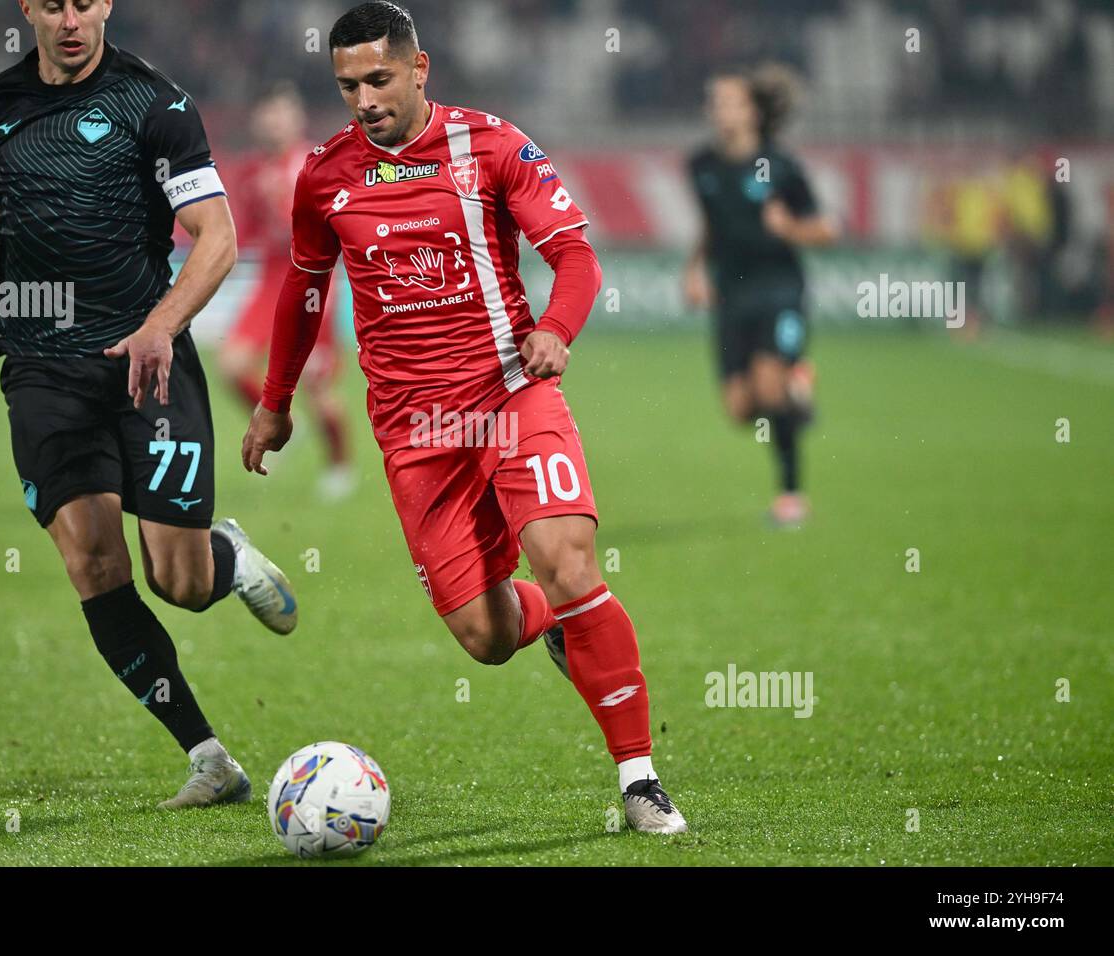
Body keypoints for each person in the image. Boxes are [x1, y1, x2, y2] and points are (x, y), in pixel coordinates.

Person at [242, 1, 686, 833]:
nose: (365, 98)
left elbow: (575, 256)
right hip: (416, 433)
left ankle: (638, 778)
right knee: (485, 637)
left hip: (511, 394)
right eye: (347, 85)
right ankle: (559, 623)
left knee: (566, 558)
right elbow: (303, 292)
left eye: (379, 78)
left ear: (419, 68)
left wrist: (555, 330)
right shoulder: (324, 175)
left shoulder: (492, 146)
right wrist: (275, 402)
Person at [0, 0, 298, 809]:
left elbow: (215, 239)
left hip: (148, 364)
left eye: (86, 0)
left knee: (176, 579)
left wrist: (158, 328)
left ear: (106, 4)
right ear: (28, 7)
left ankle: (227, 556)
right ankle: (209, 757)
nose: (71, 18)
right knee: (94, 564)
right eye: (54, 2)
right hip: (39, 366)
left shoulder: (156, 103)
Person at [683, 65, 837, 527]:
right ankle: (798, 391)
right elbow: (711, 223)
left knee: (769, 387)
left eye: (730, 101)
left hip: (779, 290)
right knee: (740, 409)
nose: (720, 110)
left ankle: (791, 495)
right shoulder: (701, 165)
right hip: (732, 294)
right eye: (715, 102)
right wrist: (694, 270)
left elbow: (826, 229)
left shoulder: (783, 166)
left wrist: (789, 227)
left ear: (752, 111)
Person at [220, 82, 355, 501]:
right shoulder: (253, 172)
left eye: (280, 113)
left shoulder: (318, 163)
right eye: (267, 114)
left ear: (295, 117)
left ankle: (340, 465)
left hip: (312, 278)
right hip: (271, 278)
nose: (273, 121)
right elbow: (252, 231)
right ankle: (280, 423)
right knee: (231, 364)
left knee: (317, 385)